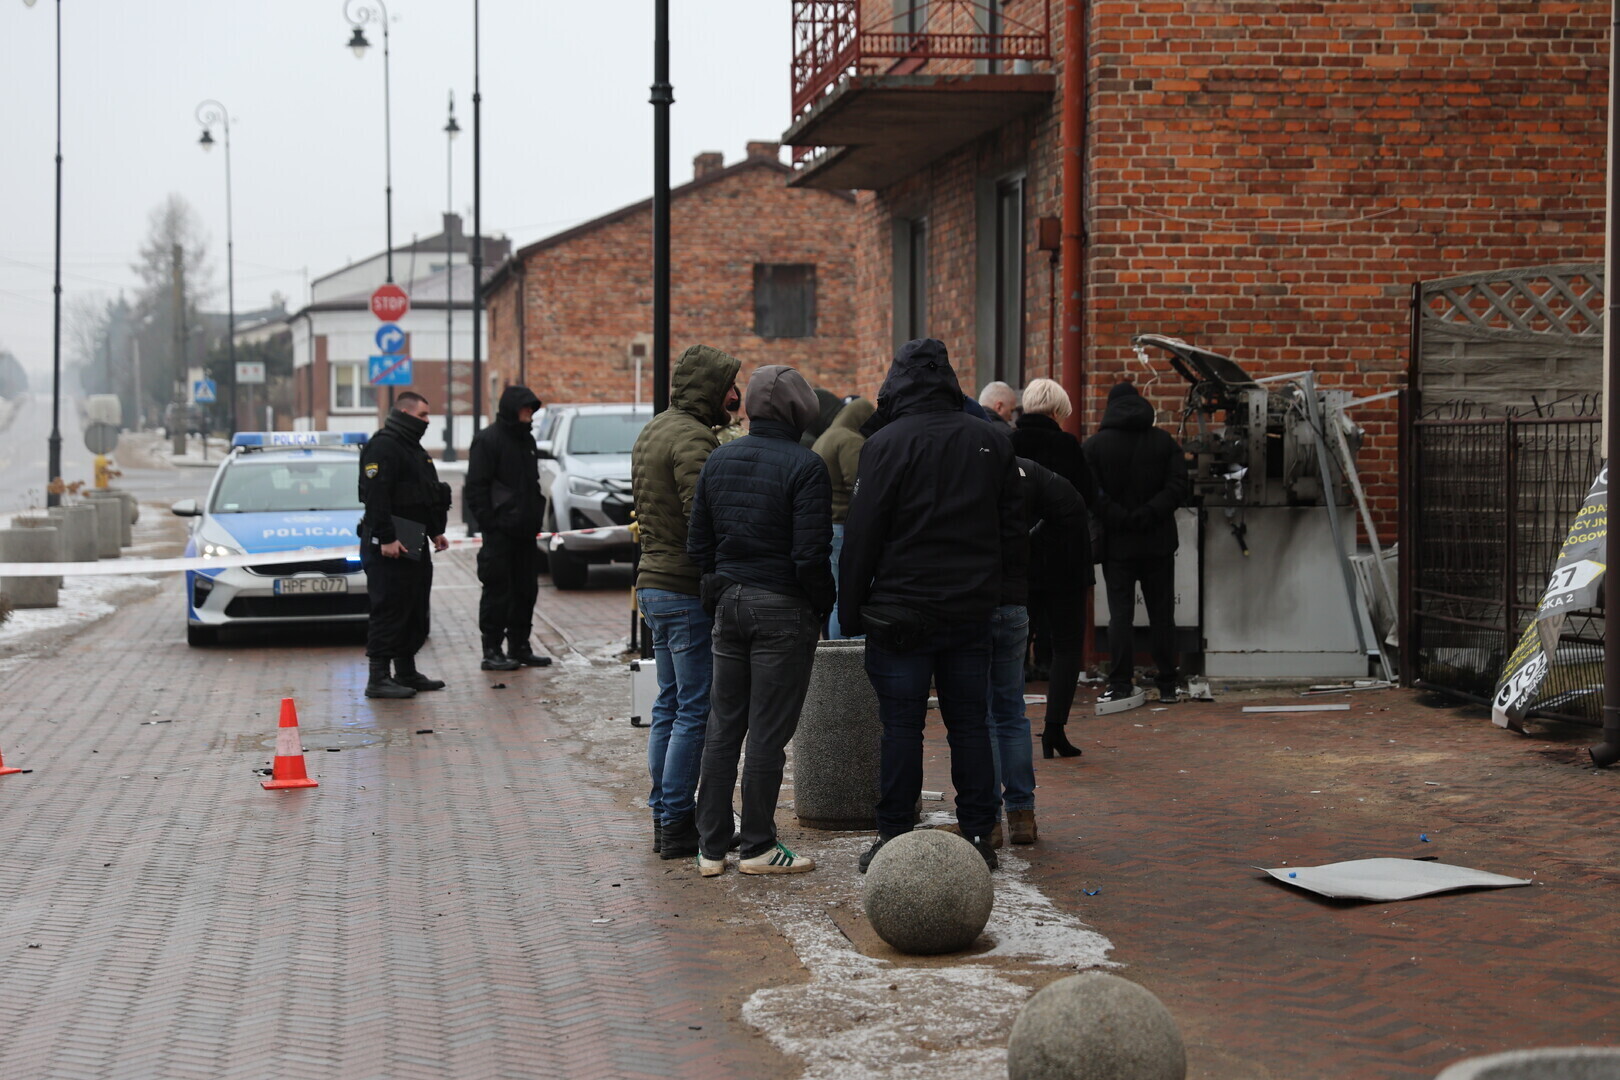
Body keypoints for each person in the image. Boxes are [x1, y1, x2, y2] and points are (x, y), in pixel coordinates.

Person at [839, 338, 1024, 873]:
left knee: (901, 727)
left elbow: (862, 536)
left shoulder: (885, 444)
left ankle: (894, 833)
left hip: (901, 610)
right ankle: (976, 833)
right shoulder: (990, 441)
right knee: (969, 724)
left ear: (896, 380)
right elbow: (1011, 531)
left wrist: (852, 612)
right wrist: (1005, 596)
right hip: (970, 608)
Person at [687, 365, 834, 876]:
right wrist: (822, 606)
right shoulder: (806, 466)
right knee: (768, 733)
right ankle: (757, 846)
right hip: (783, 608)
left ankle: (710, 847)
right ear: (801, 412)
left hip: (730, 603)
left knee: (723, 727)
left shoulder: (719, 459)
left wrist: (719, 588)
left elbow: (698, 545)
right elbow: (811, 555)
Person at [631, 343, 741, 859]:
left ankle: (663, 812)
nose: (734, 397)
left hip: (653, 584)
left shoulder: (654, 427)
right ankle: (676, 821)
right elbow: (705, 517)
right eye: (728, 388)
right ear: (711, 390)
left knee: (669, 705)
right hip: (681, 587)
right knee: (694, 708)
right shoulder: (695, 439)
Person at [1083, 381, 1190, 703]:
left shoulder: (1095, 446)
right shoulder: (1163, 442)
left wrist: (1119, 516)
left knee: (1120, 616)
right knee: (1161, 616)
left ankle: (1120, 682)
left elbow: (1091, 492)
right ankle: (1168, 682)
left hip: (1117, 544)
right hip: (1157, 542)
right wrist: (1149, 512)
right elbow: (1178, 485)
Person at [1010, 378, 1098, 745]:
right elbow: (1086, 500)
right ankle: (1055, 730)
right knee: (1066, 647)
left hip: (1017, 561)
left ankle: (1011, 726)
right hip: (1065, 561)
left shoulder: (1005, 444)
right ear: (1059, 410)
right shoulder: (1068, 446)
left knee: (1014, 645)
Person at [357, 391, 452, 700]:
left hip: (412, 536)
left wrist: (436, 530)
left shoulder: (412, 448)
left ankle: (406, 671)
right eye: (423, 415)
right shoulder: (383, 446)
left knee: (412, 607)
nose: (427, 421)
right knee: (389, 607)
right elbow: (376, 496)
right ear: (405, 413)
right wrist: (385, 537)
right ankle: (378, 677)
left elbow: (426, 493)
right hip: (390, 539)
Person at [464, 384, 553, 672]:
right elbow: (476, 487)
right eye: (526, 408)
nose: (530, 413)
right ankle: (492, 649)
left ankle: (520, 646)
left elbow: (531, 483)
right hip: (500, 533)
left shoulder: (527, 441)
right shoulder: (488, 440)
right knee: (497, 591)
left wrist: (534, 515)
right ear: (514, 410)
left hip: (525, 532)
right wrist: (489, 523)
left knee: (526, 591)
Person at [810, 395, 875, 638]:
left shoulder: (826, 436)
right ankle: (848, 656)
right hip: (843, 527)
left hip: (827, 525)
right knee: (848, 597)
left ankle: (833, 651)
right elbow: (860, 483)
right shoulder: (850, 440)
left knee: (836, 596)